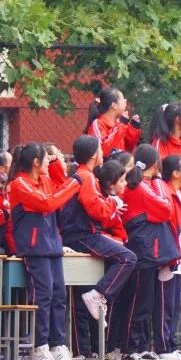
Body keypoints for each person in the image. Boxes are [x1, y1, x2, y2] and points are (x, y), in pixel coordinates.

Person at [7, 142, 80, 360]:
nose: (49, 162)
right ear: (36, 163)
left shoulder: (45, 179)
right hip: (34, 247)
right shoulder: (19, 184)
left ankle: (58, 345)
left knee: (59, 295)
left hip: (52, 246)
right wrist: (76, 183)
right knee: (44, 294)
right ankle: (40, 346)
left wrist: (57, 161)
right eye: (46, 159)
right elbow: (48, 203)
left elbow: (61, 181)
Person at [59, 135, 137, 324]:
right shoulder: (87, 177)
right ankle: (99, 294)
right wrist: (112, 203)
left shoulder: (81, 174)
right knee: (128, 257)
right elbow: (97, 209)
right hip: (83, 234)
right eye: (100, 149)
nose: (103, 152)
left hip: (78, 233)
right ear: (94, 155)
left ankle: (98, 296)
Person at [117, 144, 177, 360]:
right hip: (142, 247)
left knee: (145, 299)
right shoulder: (141, 186)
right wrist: (160, 181)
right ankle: (131, 348)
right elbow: (166, 209)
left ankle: (141, 346)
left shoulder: (140, 185)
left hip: (145, 246)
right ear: (154, 164)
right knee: (140, 300)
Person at [155, 154, 181, 360]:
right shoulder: (168, 193)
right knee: (165, 302)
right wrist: (169, 254)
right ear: (176, 173)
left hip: (179, 254)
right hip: (169, 255)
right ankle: (163, 345)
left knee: (172, 304)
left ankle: (170, 343)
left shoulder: (180, 193)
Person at [85, 87, 141, 157]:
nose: (125, 101)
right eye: (123, 99)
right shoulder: (98, 124)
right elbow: (102, 151)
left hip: (120, 166)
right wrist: (122, 125)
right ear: (114, 105)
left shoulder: (119, 124)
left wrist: (133, 127)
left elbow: (128, 149)